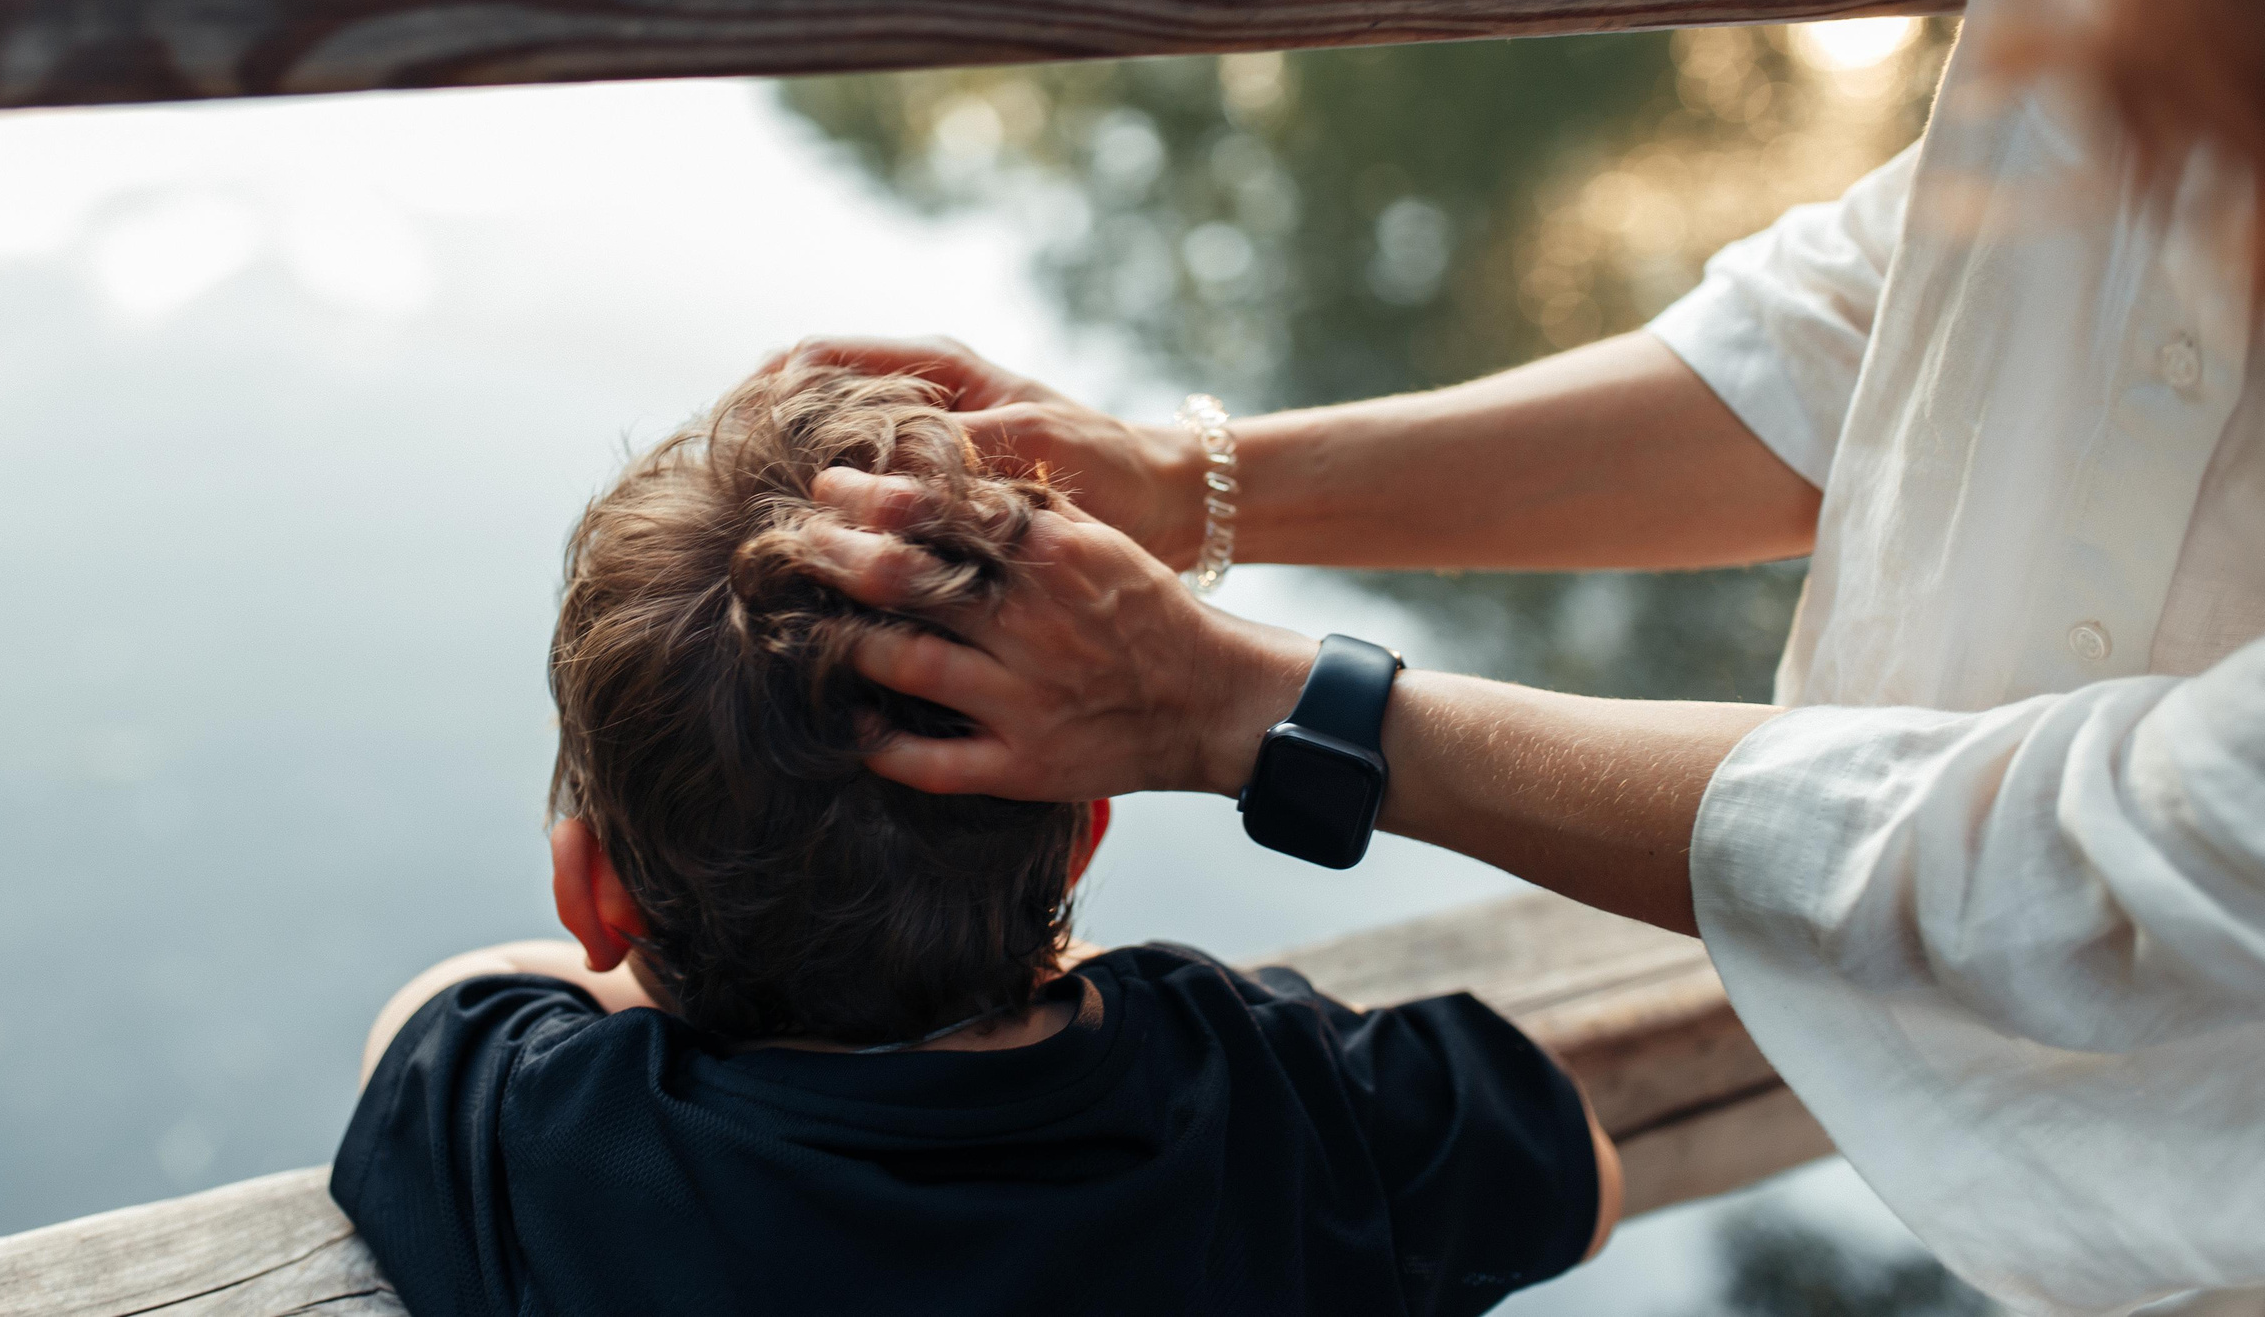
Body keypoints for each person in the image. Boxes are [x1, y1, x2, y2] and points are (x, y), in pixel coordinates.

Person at [788, 0, 2265, 1316]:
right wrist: (1190, 482)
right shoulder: (1277, 1091)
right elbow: (1963, 282)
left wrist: (1252, 707)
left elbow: (2115, 859)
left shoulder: (498, 1094)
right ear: (1079, 845)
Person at [333, 363, 1623, 1317]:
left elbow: (428, 1015)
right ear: (1082, 839)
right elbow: (1587, 1173)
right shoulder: (1249, 1074)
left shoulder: (565, 1146)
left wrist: (653, 937)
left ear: (593, 896)